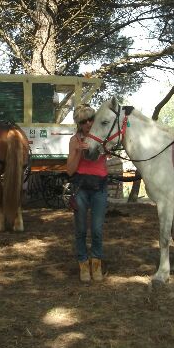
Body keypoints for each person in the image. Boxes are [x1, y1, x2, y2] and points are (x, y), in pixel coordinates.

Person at [67, 103, 109, 283]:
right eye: (83, 121)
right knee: (81, 230)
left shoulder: (102, 138)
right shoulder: (74, 140)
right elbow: (70, 170)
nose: (88, 124)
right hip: (81, 188)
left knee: (97, 229)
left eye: (91, 119)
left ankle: (96, 264)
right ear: (78, 124)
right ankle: (83, 264)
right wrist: (77, 151)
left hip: (100, 187)